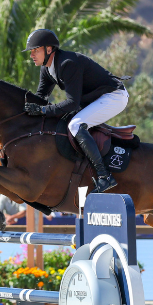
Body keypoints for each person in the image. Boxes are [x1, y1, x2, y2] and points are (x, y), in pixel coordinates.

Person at [22, 29, 129, 194]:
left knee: (76, 125)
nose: (32, 55)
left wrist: (43, 110)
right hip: (95, 99)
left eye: (36, 50)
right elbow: (41, 97)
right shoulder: (46, 69)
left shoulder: (67, 63)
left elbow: (72, 103)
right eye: (31, 51)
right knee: (67, 121)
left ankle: (104, 176)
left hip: (113, 97)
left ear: (49, 49)